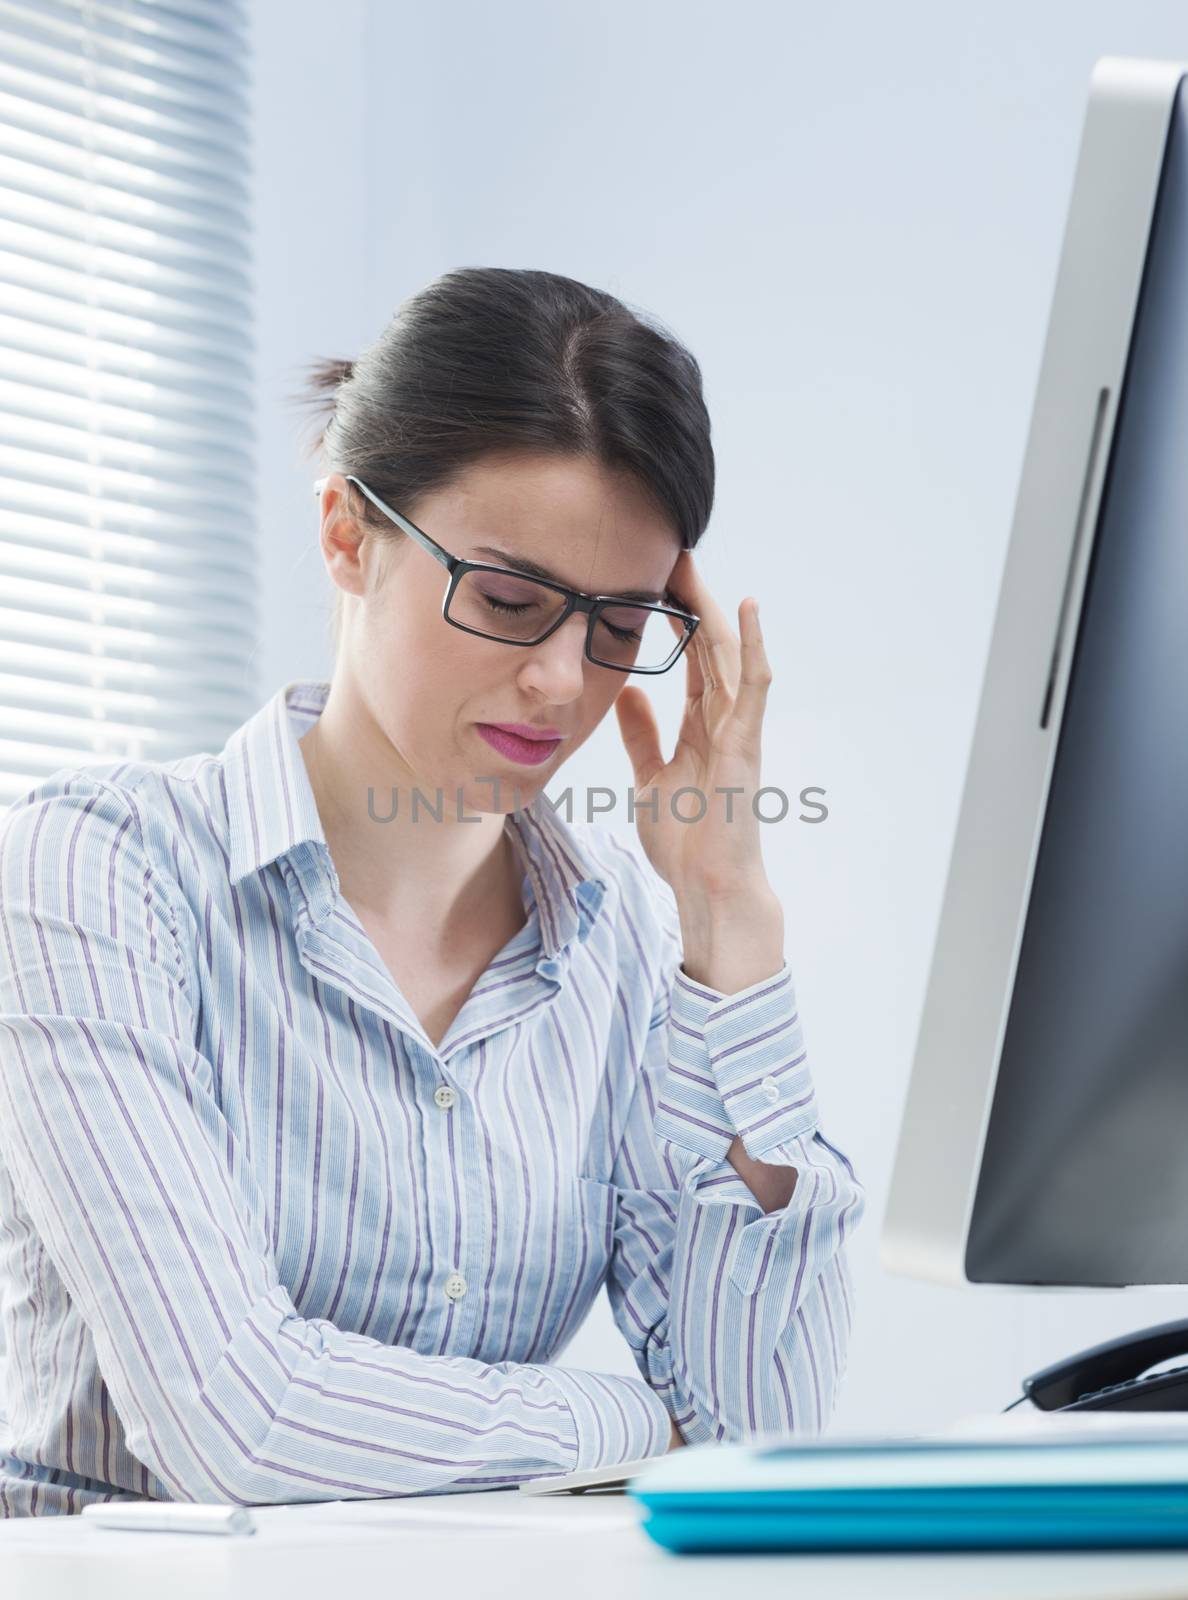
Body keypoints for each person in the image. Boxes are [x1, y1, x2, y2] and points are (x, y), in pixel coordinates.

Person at [0, 267, 863, 1516]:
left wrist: (727, 915)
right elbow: (239, 1425)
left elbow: (763, 1437)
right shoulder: (94, 875)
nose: (564, 682)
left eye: (620, 623)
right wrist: (640, 1423)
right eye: (508, 601)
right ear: (348, 534)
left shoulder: (623, 943)